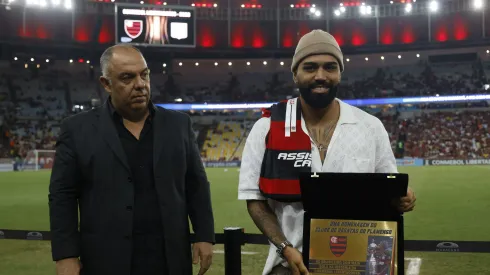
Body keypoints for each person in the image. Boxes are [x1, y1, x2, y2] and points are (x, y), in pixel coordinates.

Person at [238, 30, 416, 275]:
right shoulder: (267, 127)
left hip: (358, 263)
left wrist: (402, 197)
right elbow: (255, 201)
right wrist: (285, 248)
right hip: (290, 264)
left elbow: (388, 191)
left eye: (330, 67)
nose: (320, 76)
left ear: (340, 73)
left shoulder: (370, 127)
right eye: (310, 67)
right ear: (295, 74)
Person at [48, 44, 215, 275]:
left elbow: (196, 184)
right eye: (127, 77)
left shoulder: (179, 125)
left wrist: (204, 235)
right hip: (105, 260)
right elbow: (62, 195)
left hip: (169, 259)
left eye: (144, 74)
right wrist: (66, 255)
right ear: (106, 84)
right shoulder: (77, 130)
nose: (140, 84)